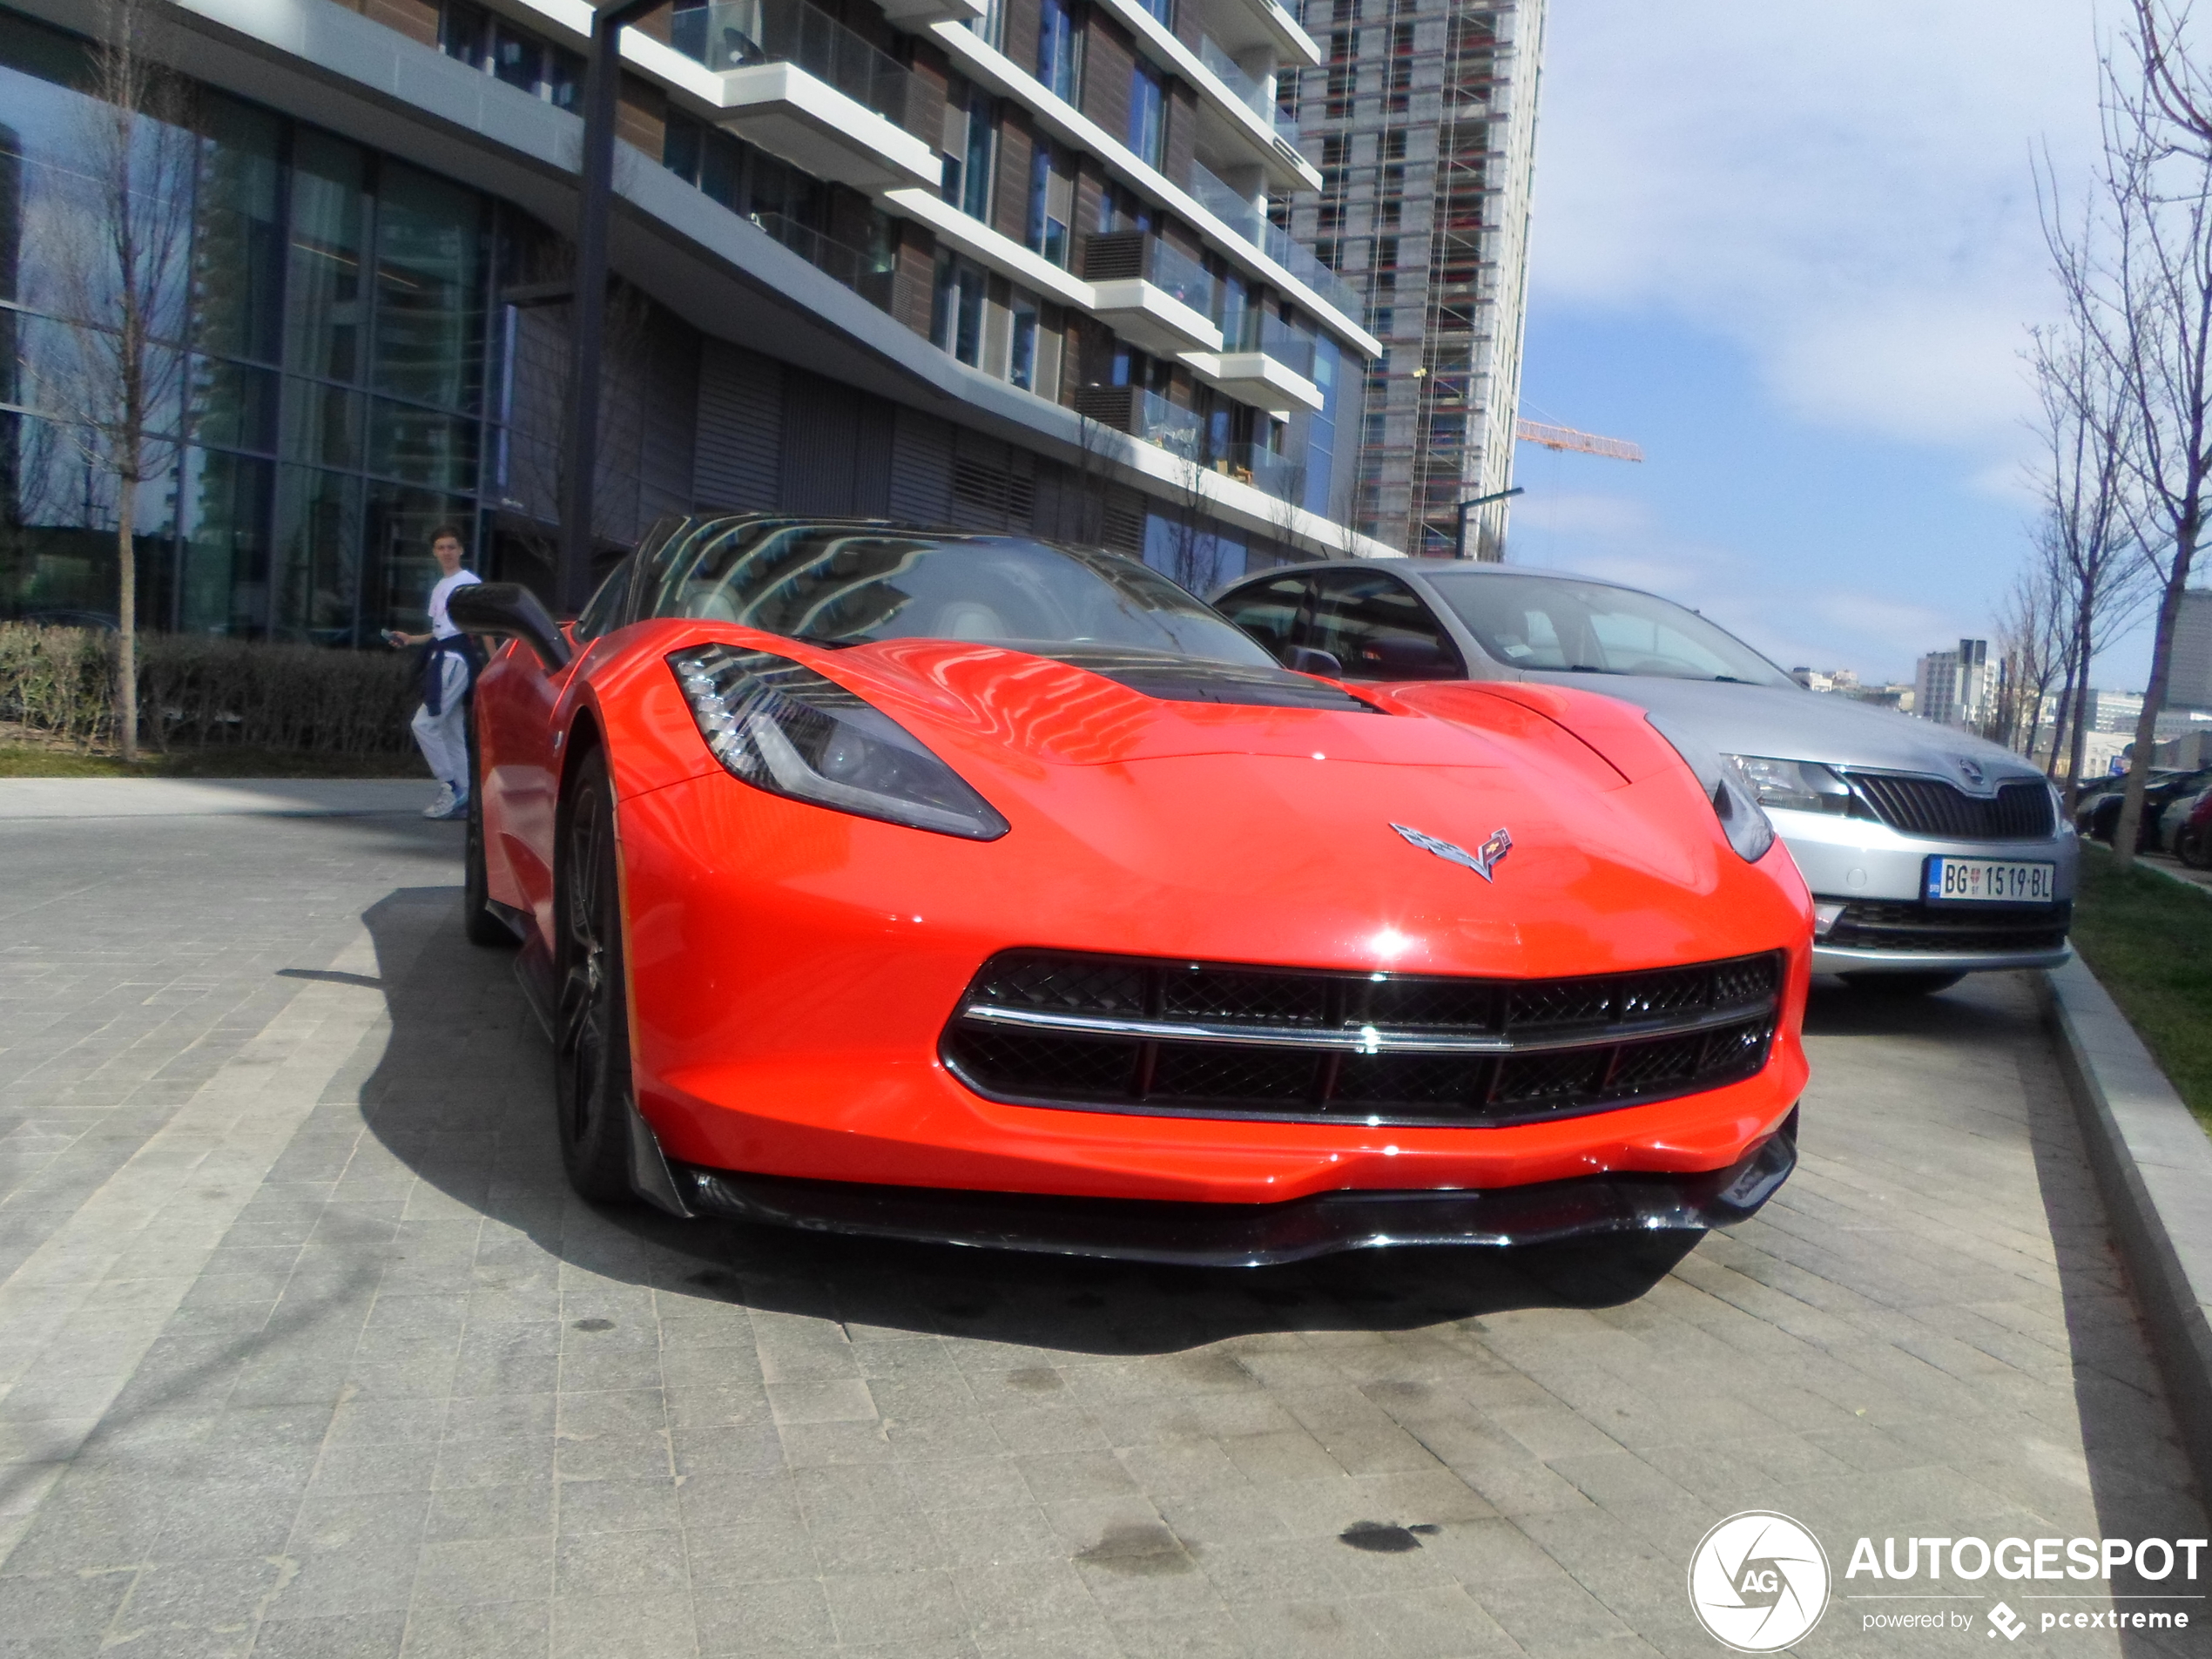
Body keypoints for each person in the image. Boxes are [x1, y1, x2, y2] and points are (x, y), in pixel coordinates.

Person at [384, 527, 485, 820]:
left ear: (461, 550)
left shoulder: (469, 583)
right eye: (441, 547)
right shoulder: (441, 585)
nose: (446, 552)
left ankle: (450, 787)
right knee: (451, 730)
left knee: (424, 724)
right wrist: (411, 639)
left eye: (451, 547)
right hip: (444, 655)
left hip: (455, 659)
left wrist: (492, 663)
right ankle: (464, 796)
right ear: (434, 552)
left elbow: (481, 627)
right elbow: (439, 631)